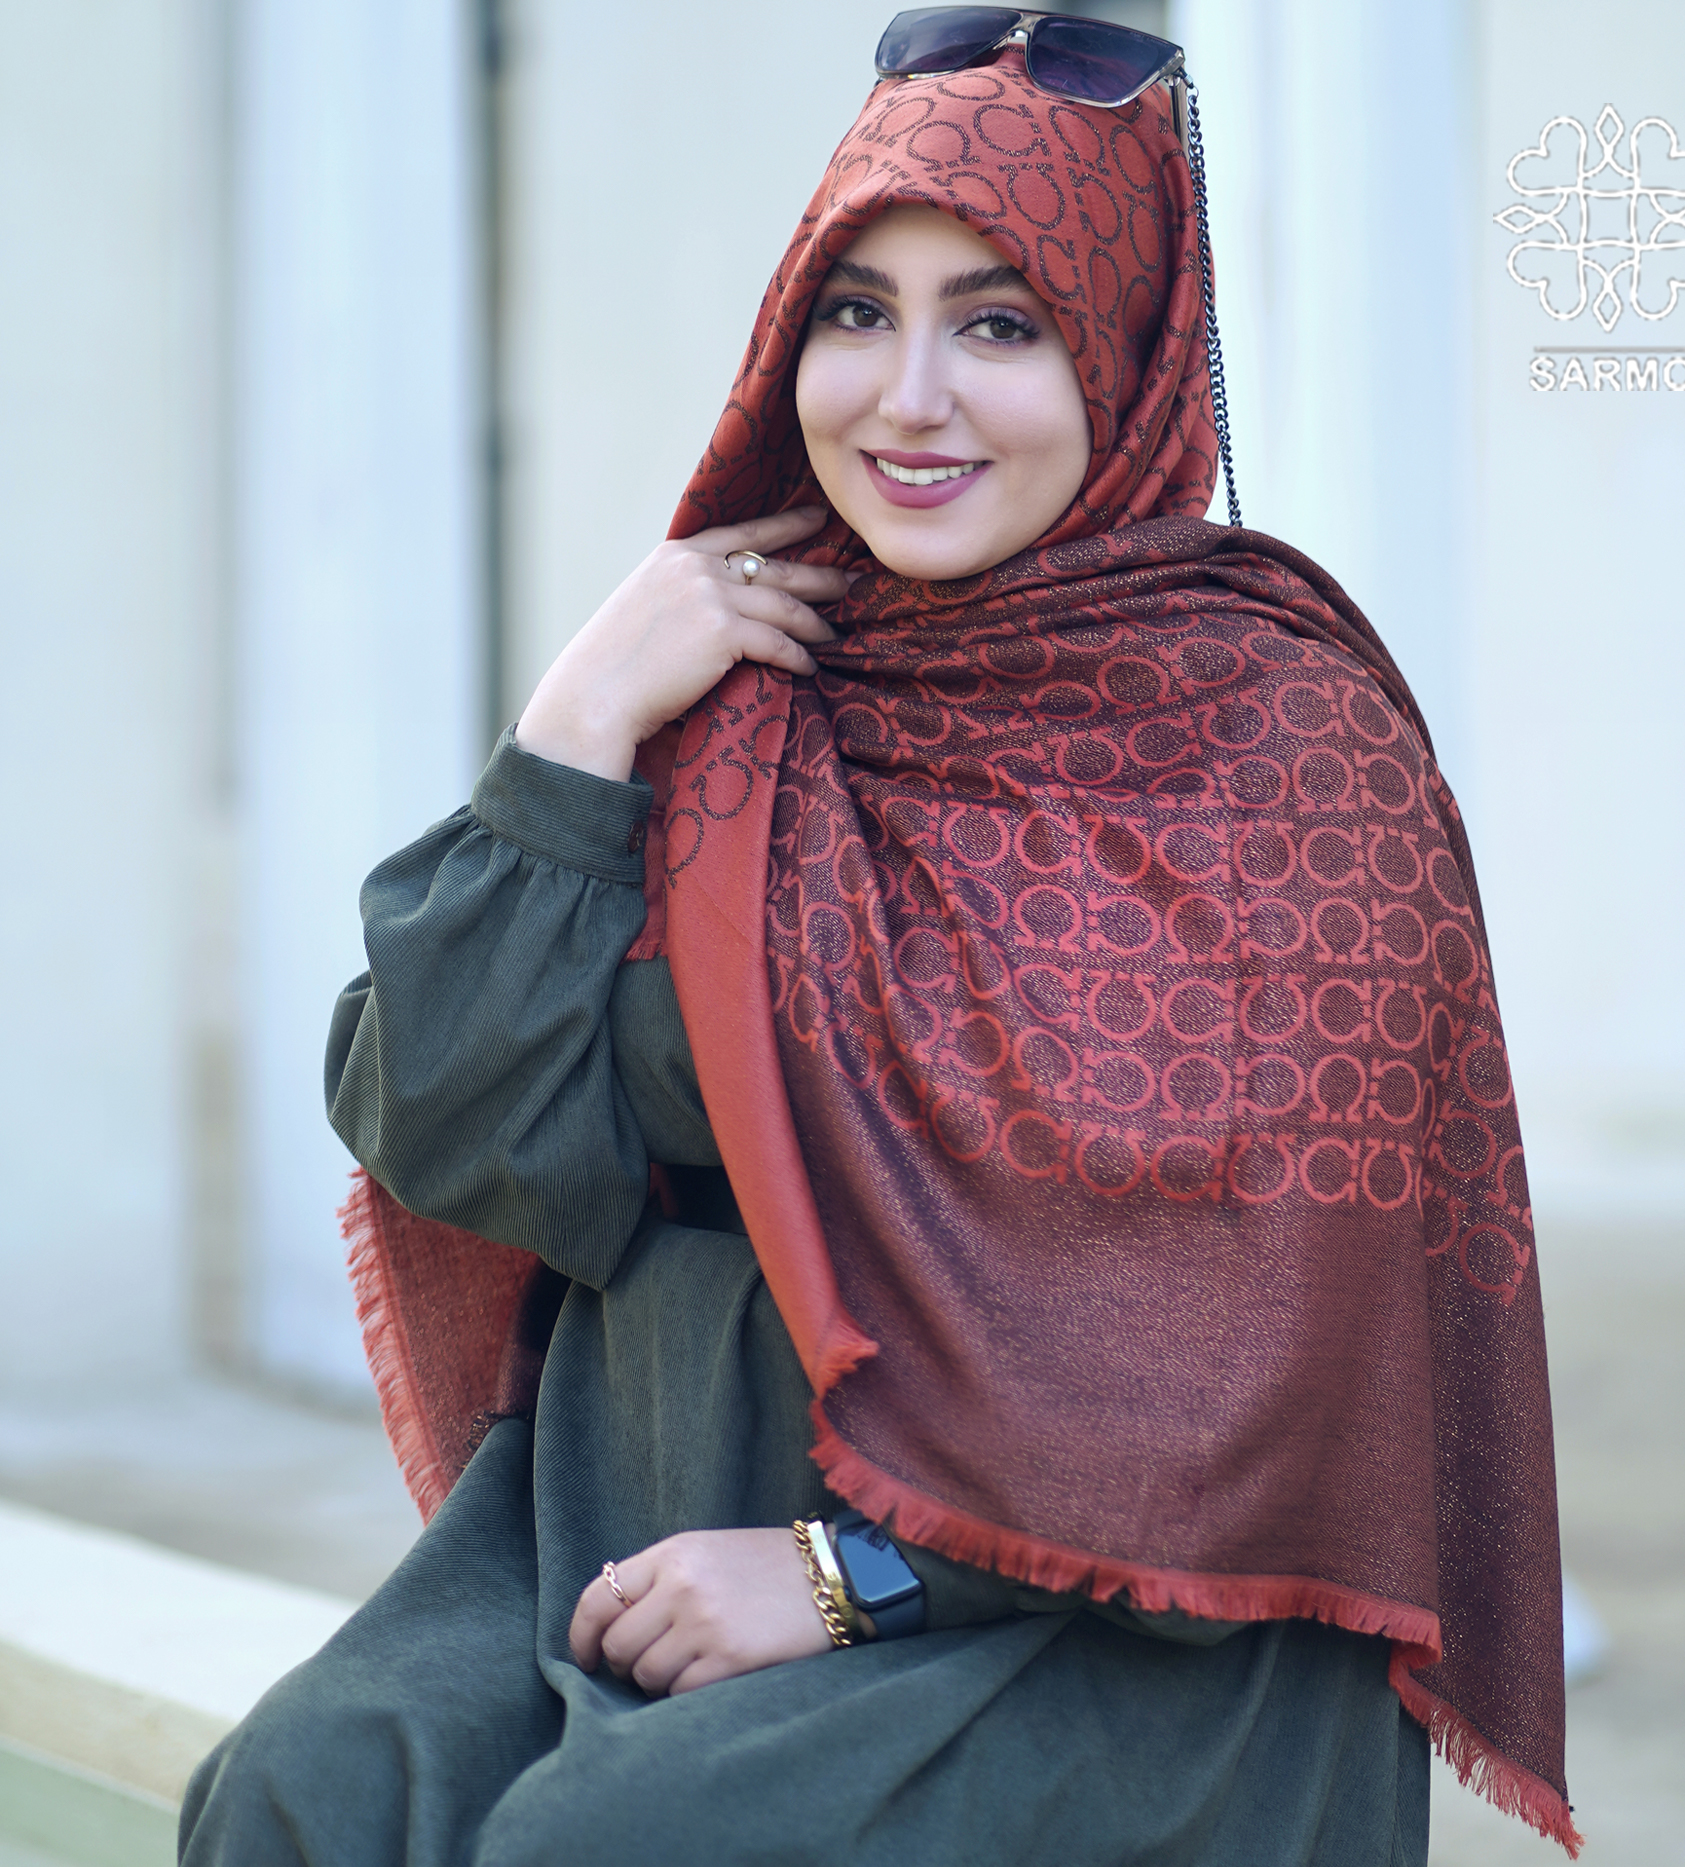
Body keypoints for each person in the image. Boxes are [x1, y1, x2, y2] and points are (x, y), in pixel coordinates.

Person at [182, 16, 1576, 1864]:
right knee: (304, 1796)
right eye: (858, 312)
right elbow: (444, 1129)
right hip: (634, 1516)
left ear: (1126, 352)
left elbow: (1277, 1367)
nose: (911, 397)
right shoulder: (734, 686)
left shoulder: (1278, 746)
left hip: (1113, 1629)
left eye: (1000, 324)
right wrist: (574, 726)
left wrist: (858, 1578)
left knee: (614, 1847)